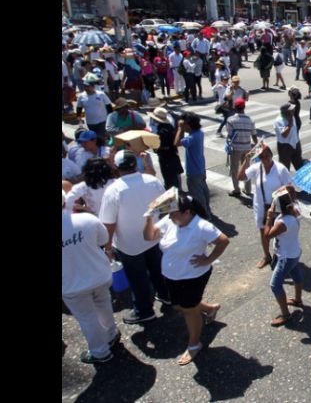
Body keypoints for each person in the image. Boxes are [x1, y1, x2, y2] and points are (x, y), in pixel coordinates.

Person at [142, 191, 229, 365]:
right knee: (178, 305)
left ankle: (194, 344)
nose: (170, 215)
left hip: (193, 276)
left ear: (187, 212)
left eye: (174, 212)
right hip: (171, 275)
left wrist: (208, 259)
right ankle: (209, 308)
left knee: (189, 309)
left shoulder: (201, 226)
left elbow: (223, 240)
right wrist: (148, 217)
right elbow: (148, 236)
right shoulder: (170, 221)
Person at [99, 150, 169, 324]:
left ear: (116, 166)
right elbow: (166, 207)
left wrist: (107, 248)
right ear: (134, 163)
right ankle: (167, 296)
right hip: (155, 237)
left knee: (138, 279)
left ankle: (144, 310)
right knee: (159, 270)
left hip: (129, 246)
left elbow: (108, 223)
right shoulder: (152, 181)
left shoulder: (113, 190)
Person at [62, 190, 120, 364]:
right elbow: (103, 239)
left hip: (72, 284)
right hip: (99, 274)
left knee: (87, 318)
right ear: (65, 202)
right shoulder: (87, 219)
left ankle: (100, 352)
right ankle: (111, 334)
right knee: (103, 304)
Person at [238, 141, 293, 270]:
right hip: (261, 207)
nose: (264, 159)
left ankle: (282, 256)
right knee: (264, 232)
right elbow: (240, 177)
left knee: (280, 233)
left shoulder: (280, 169)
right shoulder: (257, 167)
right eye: (261, 156)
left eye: (266, 156)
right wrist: (246, 160)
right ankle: (267, 256)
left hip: (278, 207)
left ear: (271, 155)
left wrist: (279, 196)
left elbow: (290, 187)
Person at [264, 189, 305, 327]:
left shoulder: (283, 222)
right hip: (294, 252)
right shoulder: (295, 211)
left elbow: (267, 235)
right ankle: (298, 300)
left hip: (286, 256)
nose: (272, 206)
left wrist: (269, 217)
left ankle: (285, 315)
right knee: (296, 275)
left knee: (275, 285)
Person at [175, 112, 211, 217]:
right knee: (204, 190)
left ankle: (204, 215)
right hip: (200, 167)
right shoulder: (199, 133)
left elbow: (177, 143)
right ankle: (207, 210)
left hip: (193, 170)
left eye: (184, 124)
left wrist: (180, 129)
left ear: (189, 125)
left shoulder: (192, 137)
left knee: (197, 195)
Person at [226, 98, 258, 196]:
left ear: (235, 107)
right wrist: (256, 146)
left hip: (236, 148)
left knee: (235, 169)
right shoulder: (250, 120)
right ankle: (248, 190)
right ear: (244, 107)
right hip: (247, 148)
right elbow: (254, 135)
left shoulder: (231, 120)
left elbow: (230, 135)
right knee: (246, 169)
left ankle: (236, 189)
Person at [148, 107, 184, 190]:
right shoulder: (169, 127)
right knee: (175, 182)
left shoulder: (162, 131)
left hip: (167, 160)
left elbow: (162, 146)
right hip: (173, 157)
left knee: (171, 183)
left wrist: (155, 147)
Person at [76, 76, 113, 141]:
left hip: (102, 121)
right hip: (90, 122)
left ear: (93, 87)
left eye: (88, 86)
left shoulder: (101, 94)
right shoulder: (81, 96)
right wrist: (78, 117)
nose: (86, 88)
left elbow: (109, 106)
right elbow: (79, 107)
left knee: (100, 138)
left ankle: (103, 146)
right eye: (85, 86)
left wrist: (111, 118)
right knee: (94, 138)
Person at [274, 102, 303, 171]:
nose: (294, 109)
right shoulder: (278, 120)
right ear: (286, 112)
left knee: (300, 167)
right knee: (285, 169)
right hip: (285, 147)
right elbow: (284, 135)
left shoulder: (292, 117)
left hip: (296, 144)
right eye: (291, 109)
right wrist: (289, 124)